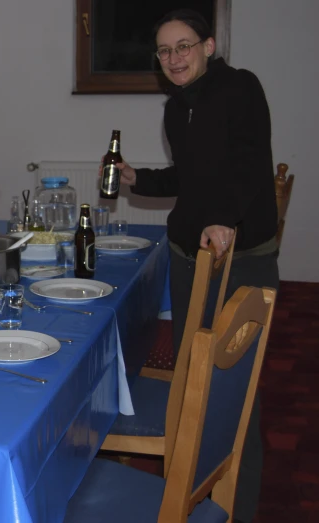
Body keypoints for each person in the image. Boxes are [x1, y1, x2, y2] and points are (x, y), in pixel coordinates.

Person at [101, 9, 278, 523]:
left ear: (207, 46)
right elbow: (190, 175)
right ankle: (189, 489)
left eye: (183, 46)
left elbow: (248, 162)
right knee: (190, 378)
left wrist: (225, 219)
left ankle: (235, 509)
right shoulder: (177, 108)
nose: (173, 58)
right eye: (164, 51)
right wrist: (138, 178)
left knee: (233, 391)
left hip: (239, 260)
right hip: (189, 257)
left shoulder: (240, 88)